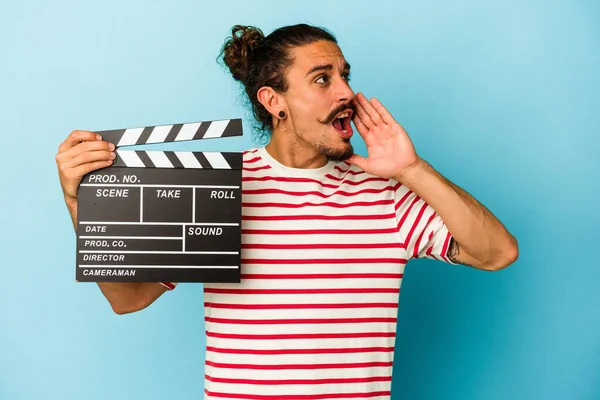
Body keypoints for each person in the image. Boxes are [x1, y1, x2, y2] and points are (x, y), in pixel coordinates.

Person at [56, 23, 518, 399]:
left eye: (345, 76)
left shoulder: (387, 196)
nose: (347, 93)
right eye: (322, 79)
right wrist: (80, 204)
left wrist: (414, 170)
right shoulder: (217, 187)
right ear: (273, 101)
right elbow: (128, 299)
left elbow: (498, 253)